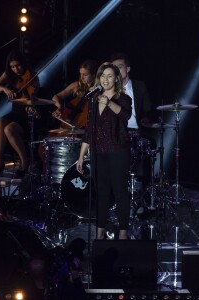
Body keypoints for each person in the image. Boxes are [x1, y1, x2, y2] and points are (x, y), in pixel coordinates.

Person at [76, 63, 132, 240]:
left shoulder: (123, 98)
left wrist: (108, 103)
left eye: (109, 76)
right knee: (101, 192)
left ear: (116, 79)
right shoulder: (93, 100)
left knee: (120, 192)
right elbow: (89, 130)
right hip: (98, 152)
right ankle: (99, 233)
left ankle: (123, 233)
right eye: (103, 76)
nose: (105, 79)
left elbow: (125, 115)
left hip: (117, 151)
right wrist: (81, 155)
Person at [0, 50, 40, 178]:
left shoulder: (33, 76)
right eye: (12, 66)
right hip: (15, 112)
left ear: (22, 63)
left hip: (27, 114)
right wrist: (4, 88)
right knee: (1, 121)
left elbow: (34, 97)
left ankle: (24, 162)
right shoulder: (9, 74)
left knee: (9, 128)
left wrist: (31, 104)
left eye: (17, 65)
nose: (15, 69)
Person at [110, 52, 156, 189]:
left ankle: (145, 192)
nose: (117, 71)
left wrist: (147, 118)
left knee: (150, 145)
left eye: (120, 66)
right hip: (116, 133)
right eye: (114, 68)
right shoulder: (109, 89)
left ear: (128, 69)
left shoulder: (139, 86)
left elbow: (149, 108)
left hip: (136, 131)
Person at [52, 59, 98, 129]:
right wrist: (59, 107)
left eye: (85, 75)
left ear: (94, 74)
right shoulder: (76, 85)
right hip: (71, 124)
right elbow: (56, 96)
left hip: (88, 126)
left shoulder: (98, 89)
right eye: (80, 74)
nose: (81, 77)